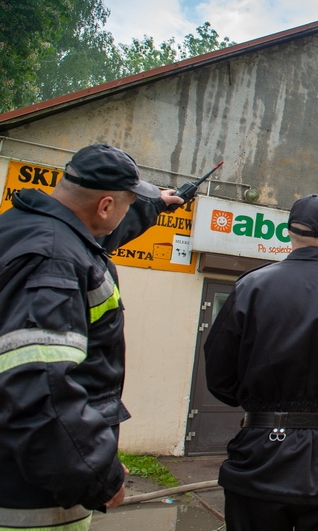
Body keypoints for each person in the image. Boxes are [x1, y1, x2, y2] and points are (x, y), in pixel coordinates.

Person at [0, 144, 183, 530]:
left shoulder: (25, 229)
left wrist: (155, 205)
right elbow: (40, 388)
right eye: (126, 203)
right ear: (104, 206)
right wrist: (97, 474)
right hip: (30, 504)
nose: (125, 214)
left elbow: (95, 241)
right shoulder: (54, 260)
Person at [204, 192, 318, 531]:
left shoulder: (251, 285)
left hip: (261, 453)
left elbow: (218, 375)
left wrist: (261, 407)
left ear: (291, 235)